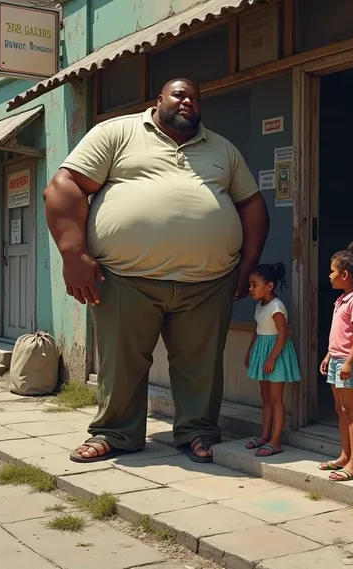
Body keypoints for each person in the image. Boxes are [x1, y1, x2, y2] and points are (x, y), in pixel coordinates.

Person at [44, 78, 269, 464]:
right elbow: (65, 185)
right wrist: (72, 254)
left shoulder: (222, 149)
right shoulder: (117, 133)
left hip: (207, 282)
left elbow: (251, 203)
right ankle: (115, 433)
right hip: (124, 278)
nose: (188, 102)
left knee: (201, 366)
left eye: (196, 98)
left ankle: (198, 431)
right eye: (180, 95)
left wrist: (246, 264)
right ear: (159, 99)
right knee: (121, 361)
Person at [319, 241, 353, 482]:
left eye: (332, 270)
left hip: (349, 362)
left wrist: (349, 362)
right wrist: (330, 355)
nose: (329, 275)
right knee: (340, 410)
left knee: (351, 411)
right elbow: (339, 334)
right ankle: (344, 455)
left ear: (345, 274)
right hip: (337, 360)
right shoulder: (342, 300)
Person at [244, 262, 301, 457]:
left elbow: (283, 334)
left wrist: (272, 358)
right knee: (266, 398)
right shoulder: (260, 306)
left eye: (254, 284)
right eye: (250, 285)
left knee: (276, 399)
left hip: (276, 353)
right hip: (262, 350)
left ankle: (276, 441)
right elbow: (257, 330)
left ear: (269, 286)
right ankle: (264, 435)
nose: (250, 289)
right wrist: (251, 352)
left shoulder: (276, 307)